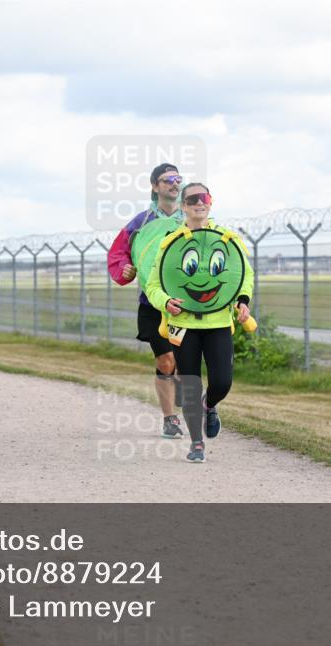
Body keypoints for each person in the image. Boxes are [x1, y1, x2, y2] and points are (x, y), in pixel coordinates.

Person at [144, 183, 254, 463]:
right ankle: (196, 444)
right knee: (190, 383)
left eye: (203, 198)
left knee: (222, 381)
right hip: (183, 324)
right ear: (183, 205)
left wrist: (243, 300)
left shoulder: (227, 239)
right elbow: (154, 285)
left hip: (217, 322)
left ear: (210, 202)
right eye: (191, 199)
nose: (198, 203)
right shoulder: (171, 242)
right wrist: (165, 302)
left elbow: (243, 275)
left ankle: (210, 404)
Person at [107, 162, 185, 439]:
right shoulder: (141, 223)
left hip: (186, 305)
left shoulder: (191, 219)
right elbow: (119, 253)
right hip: (152, 304)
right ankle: (170, 418)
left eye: (177, 179)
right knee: (165, 360)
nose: (174, 184)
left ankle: (181, 388)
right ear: (155, 187)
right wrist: (125, 269)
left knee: (183, 362)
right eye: (167, 180)